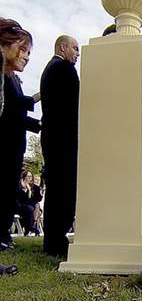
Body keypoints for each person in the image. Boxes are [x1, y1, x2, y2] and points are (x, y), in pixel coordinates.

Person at [0, 18, 40, 250]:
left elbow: (16, 111)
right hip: (5, 144)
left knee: (7, 191)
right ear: (4, 45)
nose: (26, 56)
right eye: (22, 49)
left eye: (28, 51)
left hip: (14, 145)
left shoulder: (13, 78)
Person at [40, 35, 80, 257]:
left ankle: (52, 240)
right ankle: (56, 241)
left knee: (56, 190)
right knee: (64, 190)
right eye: (75, 48)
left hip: (52, 138)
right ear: (63, 47)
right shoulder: (64, 68)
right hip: (64, 140)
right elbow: (76, 104)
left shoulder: (49, 69)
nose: (77, 53)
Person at [15, 170, 42, 235]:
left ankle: (31, 228)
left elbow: (38, 198)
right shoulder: (19, 186)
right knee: (32, 209)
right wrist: (26, 190)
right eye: (28, 176)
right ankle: (33, 228)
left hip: (32, 206)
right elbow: (20, 200)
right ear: (24, 177)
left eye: (31, 176)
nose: (30, 178)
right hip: (20, 206)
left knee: (35, 207)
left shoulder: (34, 187)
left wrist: (30, 190)